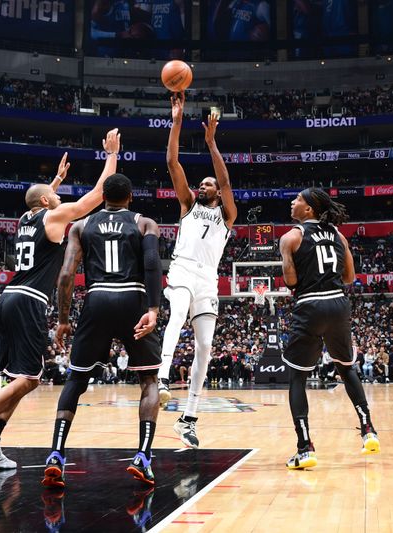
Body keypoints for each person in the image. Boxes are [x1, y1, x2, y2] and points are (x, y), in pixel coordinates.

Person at [0, 129, 122, 473]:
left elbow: (39, 201)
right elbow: (97, 196)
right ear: (46, 204)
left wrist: (54, 182)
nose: (60, 200)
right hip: (28, 301)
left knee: (22, 378)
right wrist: (112, 155)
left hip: (8, 299)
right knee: (28, 379)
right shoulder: (52, 216)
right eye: (55, 197)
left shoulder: (25, 219)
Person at [43, 173, 163, 488]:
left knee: (76, 378)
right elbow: (152, 262)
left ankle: (56, 453)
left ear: (103, 197)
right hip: (133, 297)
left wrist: (64, 318)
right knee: (149, 380)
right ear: (131, 197)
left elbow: (67, 273)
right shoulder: (144, 223)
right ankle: (144, 456)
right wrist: (153, 308)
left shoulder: (81, 226)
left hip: (97, 299)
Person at [156, 93, 237, 449]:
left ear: (216, 192)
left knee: (205, 346)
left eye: (208, 184)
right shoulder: (187, 204)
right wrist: (176, 122)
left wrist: (211, 143)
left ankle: (188, 418)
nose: (202, 186)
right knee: (175, 315)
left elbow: (228, 181)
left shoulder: (227, 214)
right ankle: (161, 378)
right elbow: (172, 162)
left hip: (208, 278)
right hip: (182, 270)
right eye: (200, 183)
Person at [279, 188, 379, 470]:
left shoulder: (291, 237)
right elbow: (349, 277)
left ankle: (305, 448)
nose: (292, 201)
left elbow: (290, 281)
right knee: (346, 368)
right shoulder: (338, 235)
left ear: (308, 209)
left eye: (297, 199)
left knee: (297, 378)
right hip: (338, 304)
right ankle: (368, 429)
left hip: (310, 305)